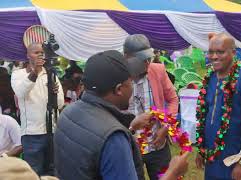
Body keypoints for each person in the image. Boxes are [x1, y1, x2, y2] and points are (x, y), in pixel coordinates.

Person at [54, 50, 188, 180]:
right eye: (130, 82)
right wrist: (172, 173)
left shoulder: (67, 113)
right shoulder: (114, 138)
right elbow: (106, 141)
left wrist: (131, 127)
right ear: (119, 89)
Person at [195, 33, 241, 180]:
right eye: (211, 52)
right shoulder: (210, 78)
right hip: (212, 157)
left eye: (220, 52)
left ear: (233, 52)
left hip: (235, 157)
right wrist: (201, 149)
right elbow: (206, 117)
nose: (213, 56)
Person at [124, 34, 179, 180]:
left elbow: (173, 100)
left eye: (149, 57)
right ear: (127, 57)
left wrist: (165, 128)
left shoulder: (158, 70)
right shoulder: (119, 76)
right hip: (130, 147)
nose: (148, 62)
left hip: (157, 145)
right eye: (143, 58)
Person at [10, 43, 64, 176]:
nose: (40, 55)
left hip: (53, 132)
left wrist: (54, 94)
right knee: (34, 173)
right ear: (28, 55)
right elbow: (21, 92)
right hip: (32, 135)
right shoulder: (18, 74)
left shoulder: (50, 74)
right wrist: (35, 72)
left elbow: (60, 103)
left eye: (42, 52)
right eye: (36, 52)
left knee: (52, 172)